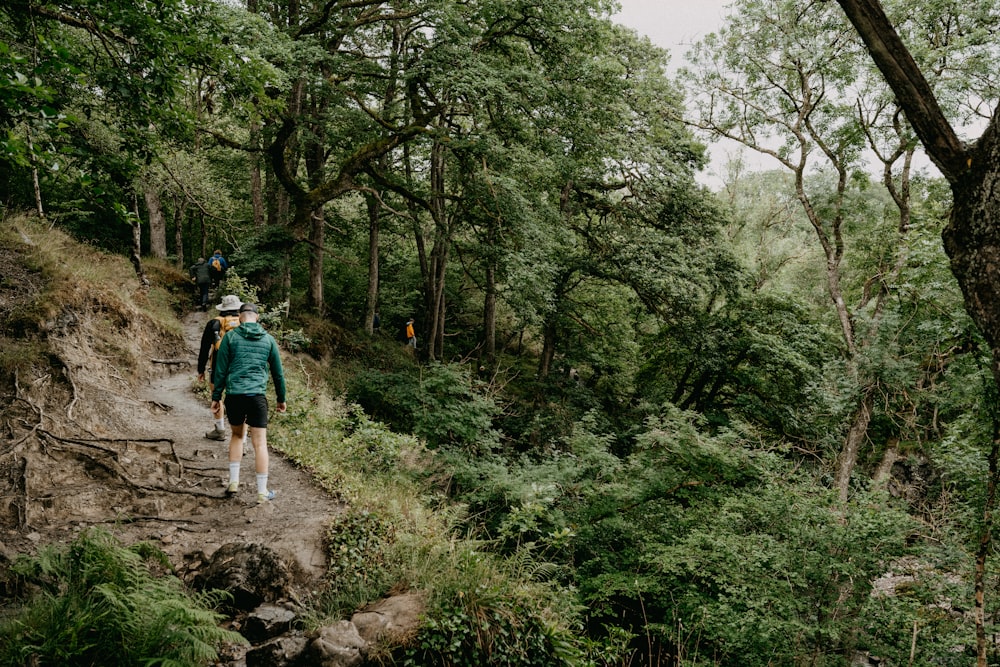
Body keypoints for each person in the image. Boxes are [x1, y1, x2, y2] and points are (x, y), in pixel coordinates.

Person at [211, 301, 287, 503]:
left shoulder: (230, 337)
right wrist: (281, 399)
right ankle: (262, 493)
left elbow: (220, 370)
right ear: (257, 317)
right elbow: (278, 374)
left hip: (235, 396)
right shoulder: (268, 340)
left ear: (240, 317)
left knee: (237, 436)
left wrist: (216, 397)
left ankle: (233, 482)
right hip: (257, 397)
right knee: (260, 444)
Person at [197, 294, 243, 441]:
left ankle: (220, 429)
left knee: (217, 397)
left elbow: (204, 349)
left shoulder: (214, 324)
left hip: (218, 366)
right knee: (240, 400)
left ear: (222, 309)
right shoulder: (245, 323)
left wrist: (200, 370)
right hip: (239, 367)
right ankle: (242, 440)